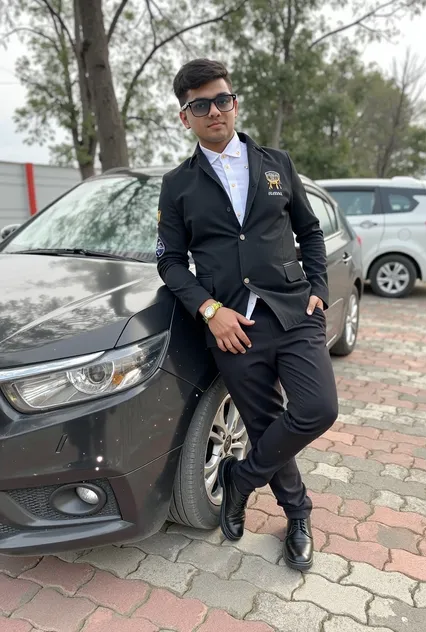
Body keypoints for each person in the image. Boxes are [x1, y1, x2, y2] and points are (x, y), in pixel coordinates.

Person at [156, 58, 338, 571]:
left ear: (234, 103)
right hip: (232, 326)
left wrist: (319, 288)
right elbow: (170, 261)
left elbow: (310, 231)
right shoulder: (178, 184)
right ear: (185, 117)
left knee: (318, 409)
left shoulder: (276, 162)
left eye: (222, 100)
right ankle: (297, 515)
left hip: (293, 311)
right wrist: (209, 310)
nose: (214, 111)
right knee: (264, 425)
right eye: (200, 105)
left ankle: (240, 479)